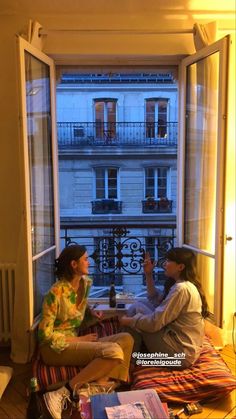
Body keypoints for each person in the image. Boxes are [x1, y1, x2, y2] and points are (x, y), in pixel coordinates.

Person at [38, 245, 134, 419]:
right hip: (54, 349)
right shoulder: (56, 292)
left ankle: (98, 387)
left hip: (76, 339)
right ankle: (61, 393)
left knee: (126, 339)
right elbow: (44, 335)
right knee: (114, 351)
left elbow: (76, 312)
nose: (89, 262)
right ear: (74, 264)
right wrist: (81, 340)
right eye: (85, 259)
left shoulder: (85, 283)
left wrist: (91, 314)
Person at [120, 247, 209, 369]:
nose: (164, 264)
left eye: (168, 261)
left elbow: (155, 323)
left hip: (180, 357)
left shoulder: (181, 289)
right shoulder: (182, 285)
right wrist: (148, 274)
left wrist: (128, 321)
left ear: (180, 267)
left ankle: (127, 363)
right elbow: (155, 300)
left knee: (137, 311)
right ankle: (130, 359)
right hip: (179, 346)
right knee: (139, 305)